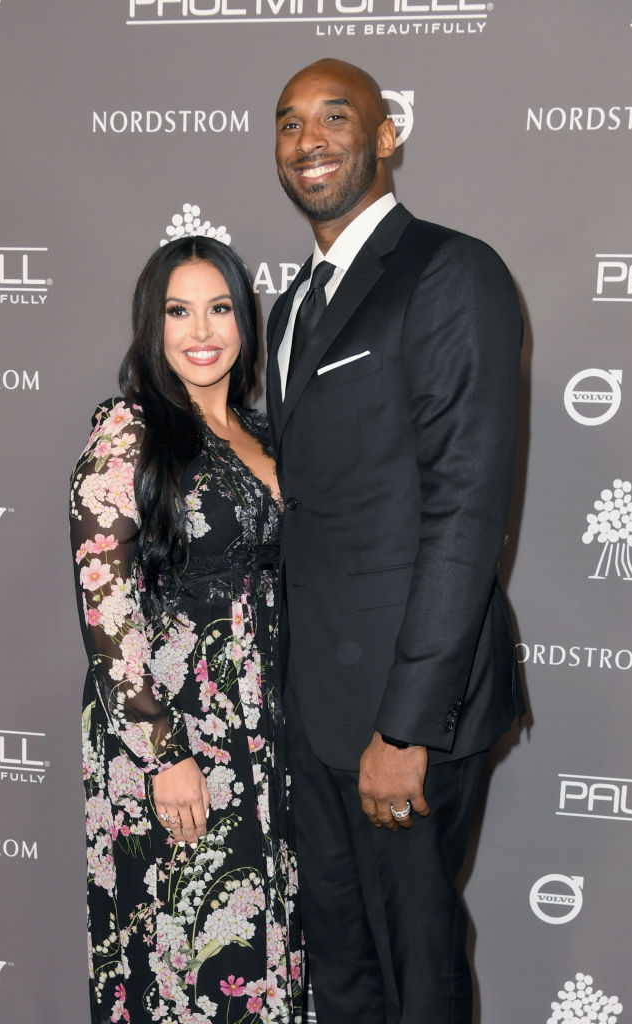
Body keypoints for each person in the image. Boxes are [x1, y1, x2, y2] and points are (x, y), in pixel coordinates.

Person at [266, 58, 524, 1024]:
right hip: (315, 705)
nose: (309, 140)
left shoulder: (452, 272)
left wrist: (403, 730)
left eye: (337, 117)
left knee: (416, 970)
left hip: (401, 715)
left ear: (385, 137)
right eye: (289, 124)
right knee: (341, 969)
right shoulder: (293, 305)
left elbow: (464, 512)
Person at [70, 236, 302, 1024]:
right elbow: (104, 600)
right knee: (188, 958)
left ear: (245, 322)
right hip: (174, 736)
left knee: (268, 948)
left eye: (219, 307)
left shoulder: (268, 434)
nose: (200, 330)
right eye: (178, 310)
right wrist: (161, 752)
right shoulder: (129, 430)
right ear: (152, 325)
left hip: (269, 734)